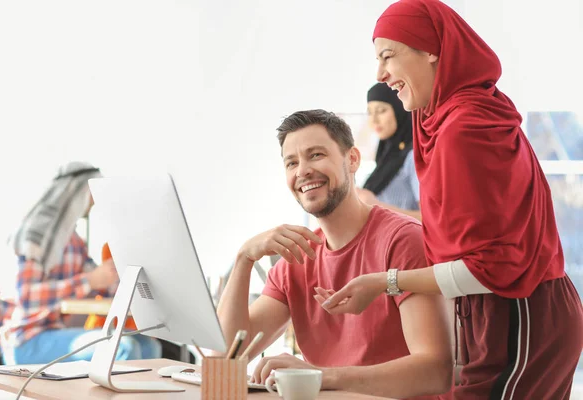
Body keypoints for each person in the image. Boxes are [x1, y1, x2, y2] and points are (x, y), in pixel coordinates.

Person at [318, 1, 583, 399]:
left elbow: (490, 267)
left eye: (389, 56)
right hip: (504, 312)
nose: (380, 74)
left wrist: (385, 282)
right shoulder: (451, 119)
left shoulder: (465, 128)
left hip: (520, 313)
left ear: (431, 50)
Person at [217, 109, 453, 399]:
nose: (302, 170)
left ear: (352, 159)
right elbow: (226, 355)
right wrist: (243, 259)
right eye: (291, 162)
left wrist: (318, 376)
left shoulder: (403, 241)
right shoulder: (297, 259)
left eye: (316, 155)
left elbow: (435, 372)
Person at [0, 161, 162, 365]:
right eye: (92, 193)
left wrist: (121, 276)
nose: (94, 202)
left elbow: (101, 282)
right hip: (25, 341)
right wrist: (90, 281)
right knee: (121, 349)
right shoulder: (33, 236)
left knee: (149, 346)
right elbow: (27, 296)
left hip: (56, 333)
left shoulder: (73, 241)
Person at [358, 82, 421, 220]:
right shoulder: (384, 157)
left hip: (408, 239)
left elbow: (430, 219)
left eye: (381, 111)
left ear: (399, 110)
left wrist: (374, 205)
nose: (374, 120)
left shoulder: (413, 157)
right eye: (370, 113)